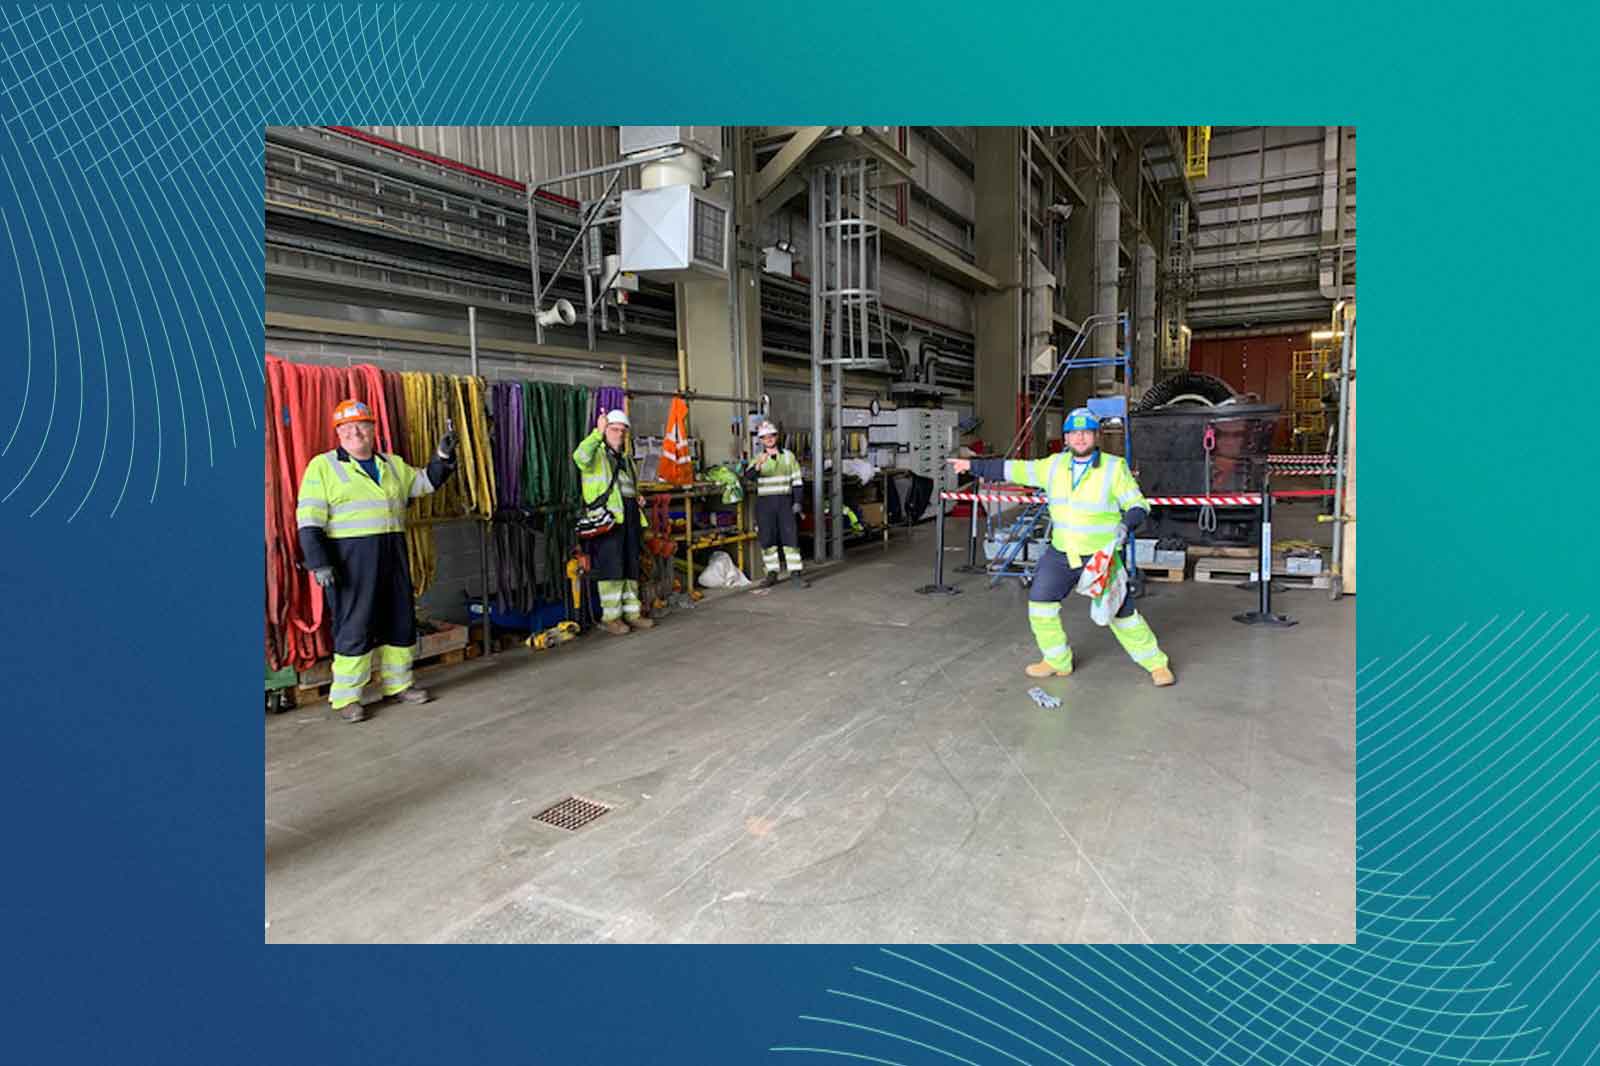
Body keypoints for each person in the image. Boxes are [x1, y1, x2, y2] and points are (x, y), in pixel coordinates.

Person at [947, 407, 1175, 687]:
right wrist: (972, 466)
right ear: (1066, 438)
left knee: (1121, 613)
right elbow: (1014, 468)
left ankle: (1156, 664)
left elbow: (1138, 504)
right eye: (1074, 433)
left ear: (1096, 436)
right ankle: (1057, 660)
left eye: (1086, 432)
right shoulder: (1052, 466)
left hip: (1100, 558)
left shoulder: (1115, 468)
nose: (1080, 438)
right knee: (1040, 605)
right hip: (1061, 555)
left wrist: (1126, 524)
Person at [296, 399, 458, 723]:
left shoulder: (392, 465)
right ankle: (346, 698)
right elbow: (309, 520)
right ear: (338, 433)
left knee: (400, 620)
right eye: (347, 427)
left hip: (392, 555)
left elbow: (425, 482)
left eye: (362, 425)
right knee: (355, 626)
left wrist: (442, 457)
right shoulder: (323, 467)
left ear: (373, 428)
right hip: (350, 562)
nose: (355, 432)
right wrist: (319, 563)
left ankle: (398, 684)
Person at [574, 409, 655, 635]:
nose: (618, 434)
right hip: (607, 519)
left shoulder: (626, 459)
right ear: (605, 429)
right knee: (612, 568)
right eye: (614, 429)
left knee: (631, 565)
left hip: (628, 516)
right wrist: (597, 434)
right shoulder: (596, 453)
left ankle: (632, 613)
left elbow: (627, 485)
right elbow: (579, 457)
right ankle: (611, 618)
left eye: (622, 430)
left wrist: (635, 496)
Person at [748, 421, 808, 588]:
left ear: (776, 437)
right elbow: (748, 477)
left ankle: (795, 574)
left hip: (785, 502)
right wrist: (759, 465)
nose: (768, 439)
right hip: (765, 504)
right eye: (764, 437)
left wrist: (797, 501)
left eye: (771, 436)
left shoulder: (789, 456)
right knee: (767, 539)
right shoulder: (757, 458)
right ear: (760, 440)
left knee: (791, 537)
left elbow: (797, 481)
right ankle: (771, 574)